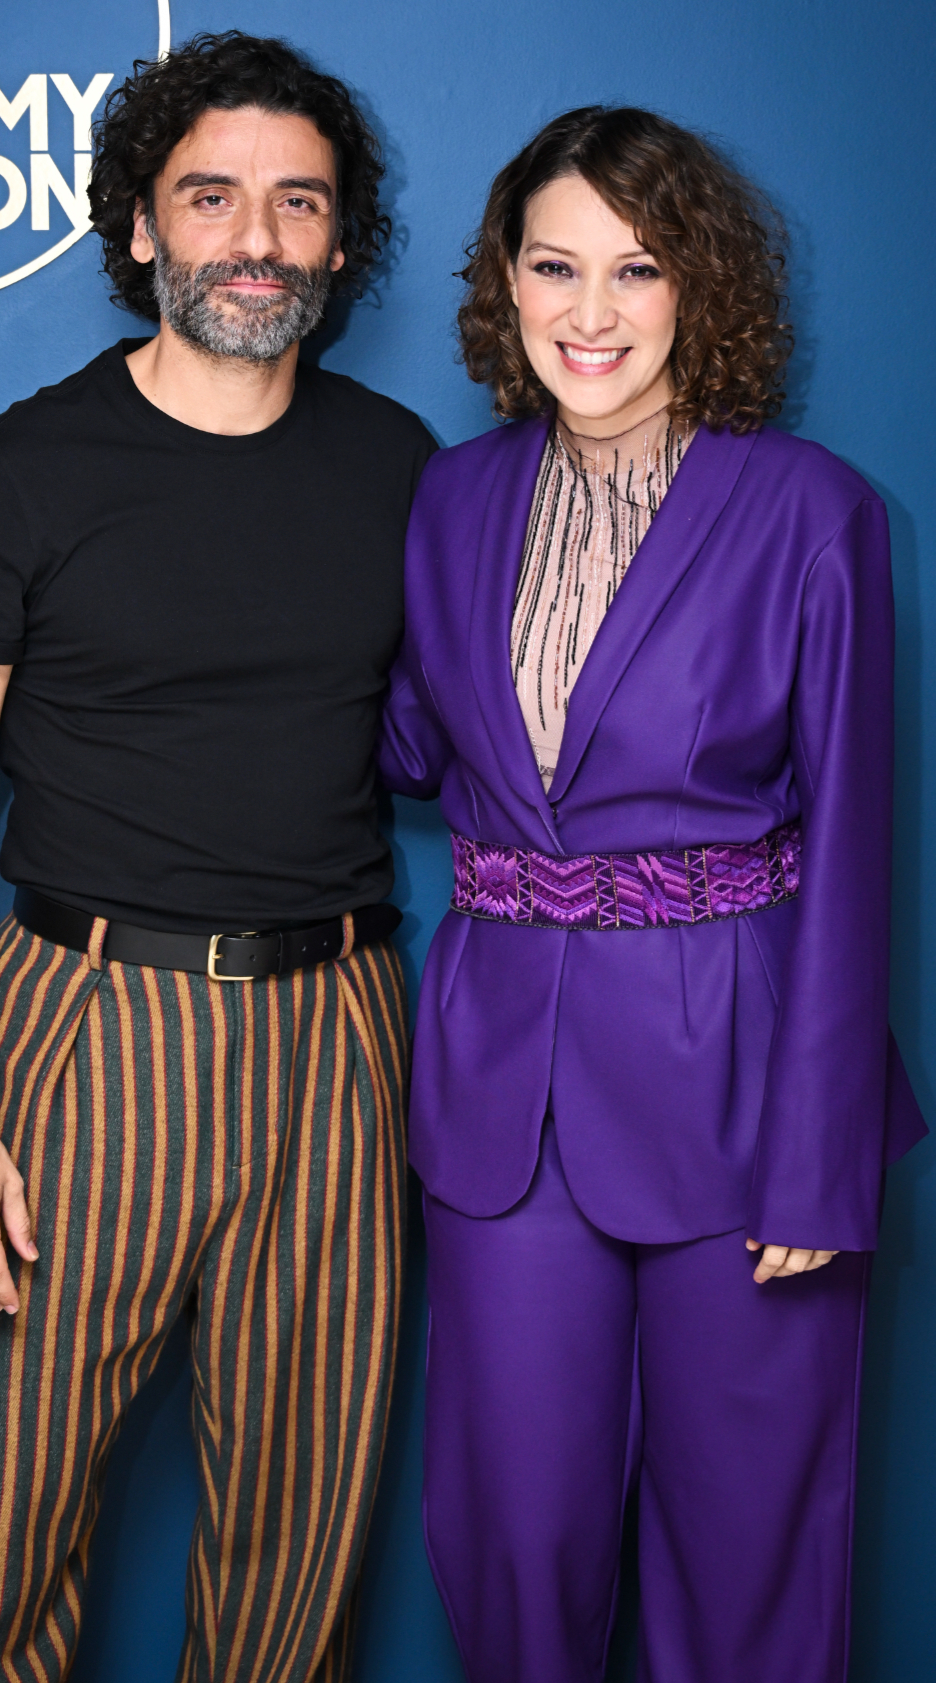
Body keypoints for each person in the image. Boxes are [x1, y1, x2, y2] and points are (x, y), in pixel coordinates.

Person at [0, 30, 435, 1683]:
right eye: (210, 198)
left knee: (299, 1560)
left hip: (340, 1036)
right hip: (85, 1032)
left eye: (296, 204)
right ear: (140, 229)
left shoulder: (404, 470)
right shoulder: (16, 472)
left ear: (339, 245)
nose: (254, 236)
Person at [378, 106, 926, 1683]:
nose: (591, 313)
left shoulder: (812, 511)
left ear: (699, 288)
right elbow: (413, 742)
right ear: (505, 284)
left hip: (749, 1104)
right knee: (510, 1533)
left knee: (746, 1542)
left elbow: (853, 843)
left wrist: (820, 1165)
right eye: (554, 268)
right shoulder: (451, 500)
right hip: (502, 1106)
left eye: (637, 269)